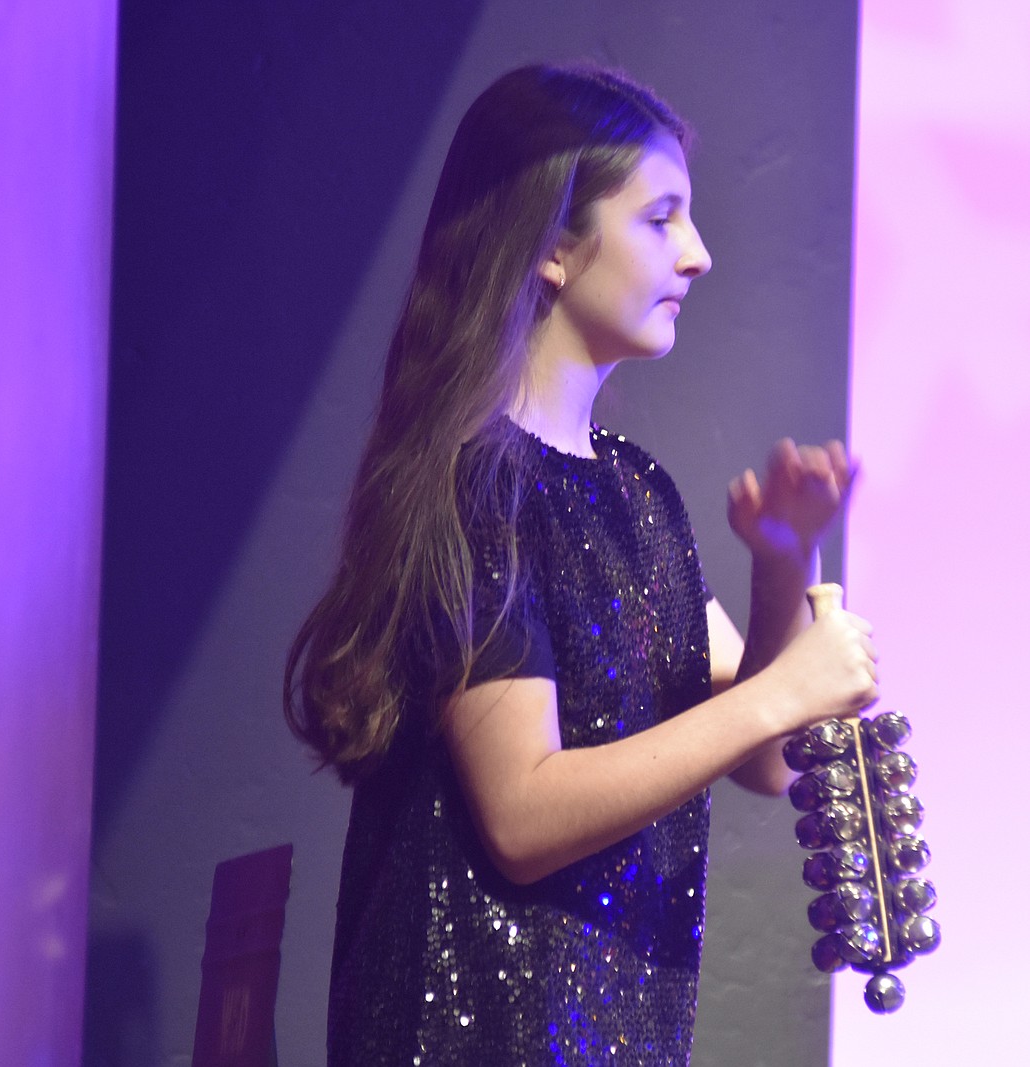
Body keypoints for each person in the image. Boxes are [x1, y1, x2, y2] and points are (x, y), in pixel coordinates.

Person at [284, 63, 878, 1066]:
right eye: (661, 220)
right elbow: (522, 810)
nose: (699, 254)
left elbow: (768, 762)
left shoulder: (633, 490)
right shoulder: (479, 489)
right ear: (555, 245)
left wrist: (783, 567)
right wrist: (785, 695)